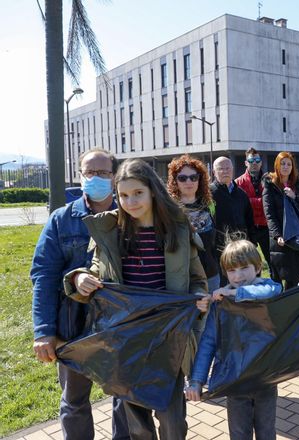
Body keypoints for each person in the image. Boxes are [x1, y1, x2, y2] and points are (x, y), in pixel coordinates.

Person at [66, 158, 210, 440]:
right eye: (123, 195)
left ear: (153, 191)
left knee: (172, 423)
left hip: (167, 341)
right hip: (125, 343)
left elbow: (197, 279)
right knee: (137, 426)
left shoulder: (178, 230)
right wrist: (78, 279)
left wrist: (199, 299)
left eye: (138, 193)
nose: (130, 202)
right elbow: (96, 270)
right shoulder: (109, 232)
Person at [30, 148, 130, 440]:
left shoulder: (131, 214)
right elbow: (43, 275)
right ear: (80, 175)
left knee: (125, 397)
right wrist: (44, 331)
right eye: (89, 172)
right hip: (73, 327)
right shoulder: (62, 219)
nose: (95, 178)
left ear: (114, 176)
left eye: (103, 173)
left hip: (121, 326)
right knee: (74, 402)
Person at [185, 239, 282, 440]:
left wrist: (234, 293)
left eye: (244, 268)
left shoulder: (266, 290)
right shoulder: (221, 304)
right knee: (239, 434)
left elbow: (273, 290)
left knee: (266, 432)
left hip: (264, 379)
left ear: (257, 268)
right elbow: (208, 343)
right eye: (231, 270)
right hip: (235, 380)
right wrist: (196, 380)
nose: (237, 276)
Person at [167, 154, 219, 342]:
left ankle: (202, 370)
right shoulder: (169, 210)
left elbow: (215, 243)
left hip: (211, 275)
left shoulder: (209, 205)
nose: (188, 182)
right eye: (182, 177)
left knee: (209, 331)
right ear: (175, 181)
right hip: (183, 280)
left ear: (200, 180)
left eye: (193, 177)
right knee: (186, 331)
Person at [262, 151, 299, 289]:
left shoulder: (297, 183)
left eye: (288, 164)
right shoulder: (270, 185)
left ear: (292, 167)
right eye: (282, 164)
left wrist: (294, 196)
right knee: (283, 275)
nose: (285, 167)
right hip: (282, 239)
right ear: (277, 166)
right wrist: (277, 234)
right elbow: (269, 214)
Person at [211, 156, 255, 284]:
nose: (225, 171)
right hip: (219, 249)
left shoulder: (241, 194)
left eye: (228, 168)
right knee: (223, 282)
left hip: (240, 246)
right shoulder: (209, 194)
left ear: (233, 170)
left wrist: (252, 242)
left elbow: (249, 220)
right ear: (214, 172)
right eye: (221, 169)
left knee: (242, 280)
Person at [235, 147, 275, 279]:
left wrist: (250, 201)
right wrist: (262, 201)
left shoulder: (270, 179)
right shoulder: (238, 182)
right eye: (251, 160)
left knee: (272, 261)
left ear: (261, 162)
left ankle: (277, 289)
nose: (254, 163)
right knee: (249, 262)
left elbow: (273, 202)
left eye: (257, 160)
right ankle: (254, 288)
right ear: (246, 162)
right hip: (248, 227)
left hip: (266, 227)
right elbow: (240, 204)